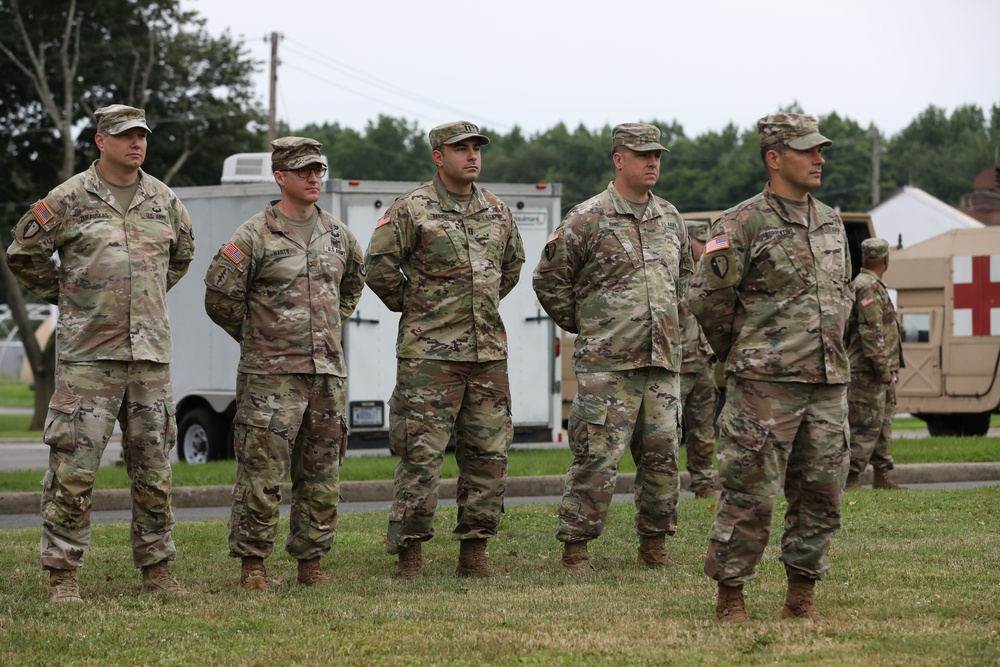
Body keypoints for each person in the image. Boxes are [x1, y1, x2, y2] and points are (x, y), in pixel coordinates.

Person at [6, 104, 195, 602]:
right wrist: (73, 296)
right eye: (125, 135)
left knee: (154, 469)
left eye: (142, 135)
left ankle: (157, 570)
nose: (137, 143)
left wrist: (142, 298)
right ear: (100, 141)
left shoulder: (165, 199)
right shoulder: (68, 199)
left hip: (149, 358)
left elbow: (181, 258)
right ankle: (62, 576)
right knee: (73, 470)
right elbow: (22, 254)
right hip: (88, 359)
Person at [687, 113, 852, 622]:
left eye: (820, 150)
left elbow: (841, 291)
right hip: (764, 386)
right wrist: (744, 352)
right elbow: (706, 298)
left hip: (827, 384)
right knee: (749, 495)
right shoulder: (741, 223)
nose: (819, 158)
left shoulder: (830, 220)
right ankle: (731, 597)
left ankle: (801, 597)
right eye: (807, 151)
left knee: (822, 495)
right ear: (774, 158)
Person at [364, 121, 525, 579]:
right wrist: (416, 307)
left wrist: (481, 305)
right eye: (461, 149)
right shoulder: (411, 209)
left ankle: (474, 553)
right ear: (439, 156)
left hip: (488, 355)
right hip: (429, 357)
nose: (472, 155)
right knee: (421, 456)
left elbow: (510, 266)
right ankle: (410, 554)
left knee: (489, 456)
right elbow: (377, 267)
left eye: (476, 148)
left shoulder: (496, 210)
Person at [204, 137, 366, 589]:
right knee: (262, 474)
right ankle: (253, 566)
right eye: (305, 171)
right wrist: (259, 336)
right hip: (270, 378)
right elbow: (220, 298)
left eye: (319, 170)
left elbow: (352, 286)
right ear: (281, 177)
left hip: (326, 377)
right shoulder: (254, 234)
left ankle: (311, 564)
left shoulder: (338, 235)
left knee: (322, 475)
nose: (315, 178)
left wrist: (328, 328)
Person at [533, 123, 693, 573]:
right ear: (618, 159)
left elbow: (683, 280)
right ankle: (577, 548)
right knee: (596, 458)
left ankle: (654, 546)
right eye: (642, 155)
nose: (652, 163)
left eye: (657, 155)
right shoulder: (588, 217)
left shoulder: (671, 218)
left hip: (662, 363)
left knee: (662, 458)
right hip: (608, 365)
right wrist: (589, 324)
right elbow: (549, 280)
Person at [845, 238, 905, 490]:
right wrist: (882, 369)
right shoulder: (867, 287)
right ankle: (851, 479)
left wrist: (890, 368)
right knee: (864, 425)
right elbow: (871, 332)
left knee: (882, 423)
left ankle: (882, 475)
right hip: (866, 371)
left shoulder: (871, 284)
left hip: (880, 370)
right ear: (886, 260)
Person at [679, 219, 719, 499]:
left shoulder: (710, 276)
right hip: (677, 367)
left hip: (703, 363)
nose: (704, 248)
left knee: (704, 429)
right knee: (667, 431)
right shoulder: (674, 275)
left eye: (707, 242)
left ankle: (703, 482)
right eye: (699, 241)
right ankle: (663, 486)